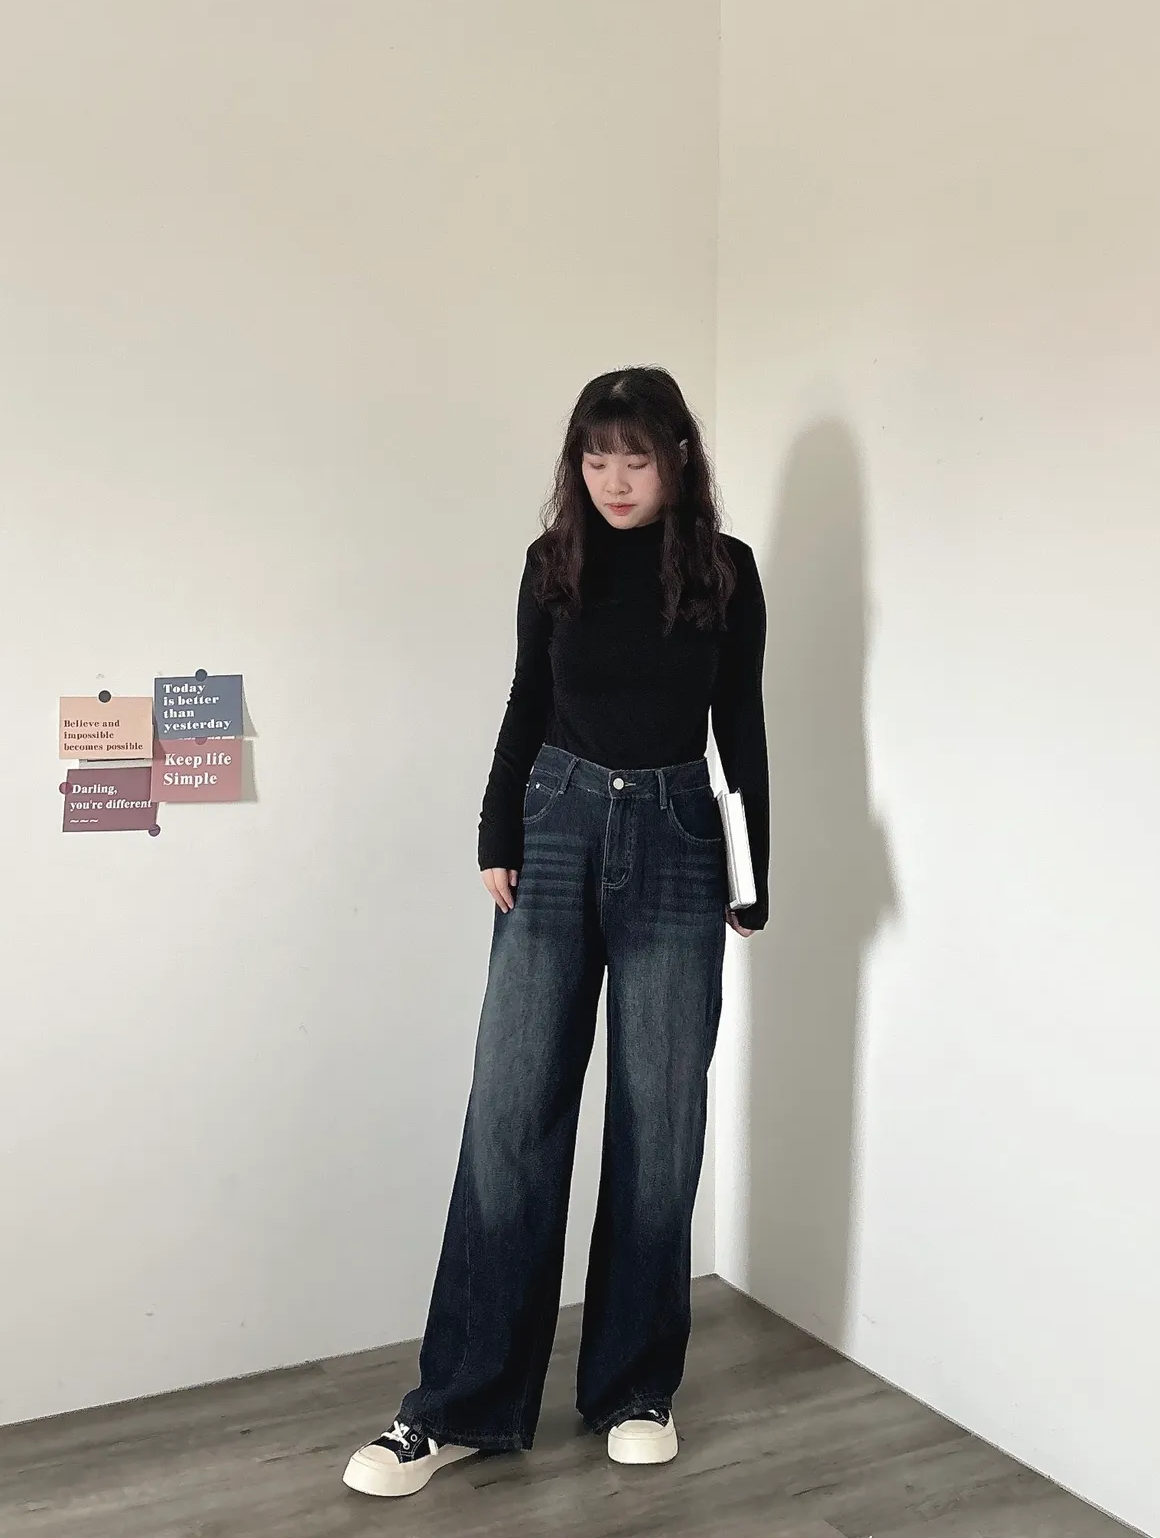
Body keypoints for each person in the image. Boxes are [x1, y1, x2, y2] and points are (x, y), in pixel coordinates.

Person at [343, 366, 769, 1498]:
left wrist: (751, 870)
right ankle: (460, 1404)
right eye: (596, 457)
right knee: (513, 1110)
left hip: (681, 835)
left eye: (636, 457)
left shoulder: (726, 571)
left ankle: (635, 1387)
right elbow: (526, 698)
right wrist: (497, 829)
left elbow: (741, 723)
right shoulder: (553, 563)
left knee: (659, 1118)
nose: (614, 480)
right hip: (557, 822)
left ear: (678, 458)